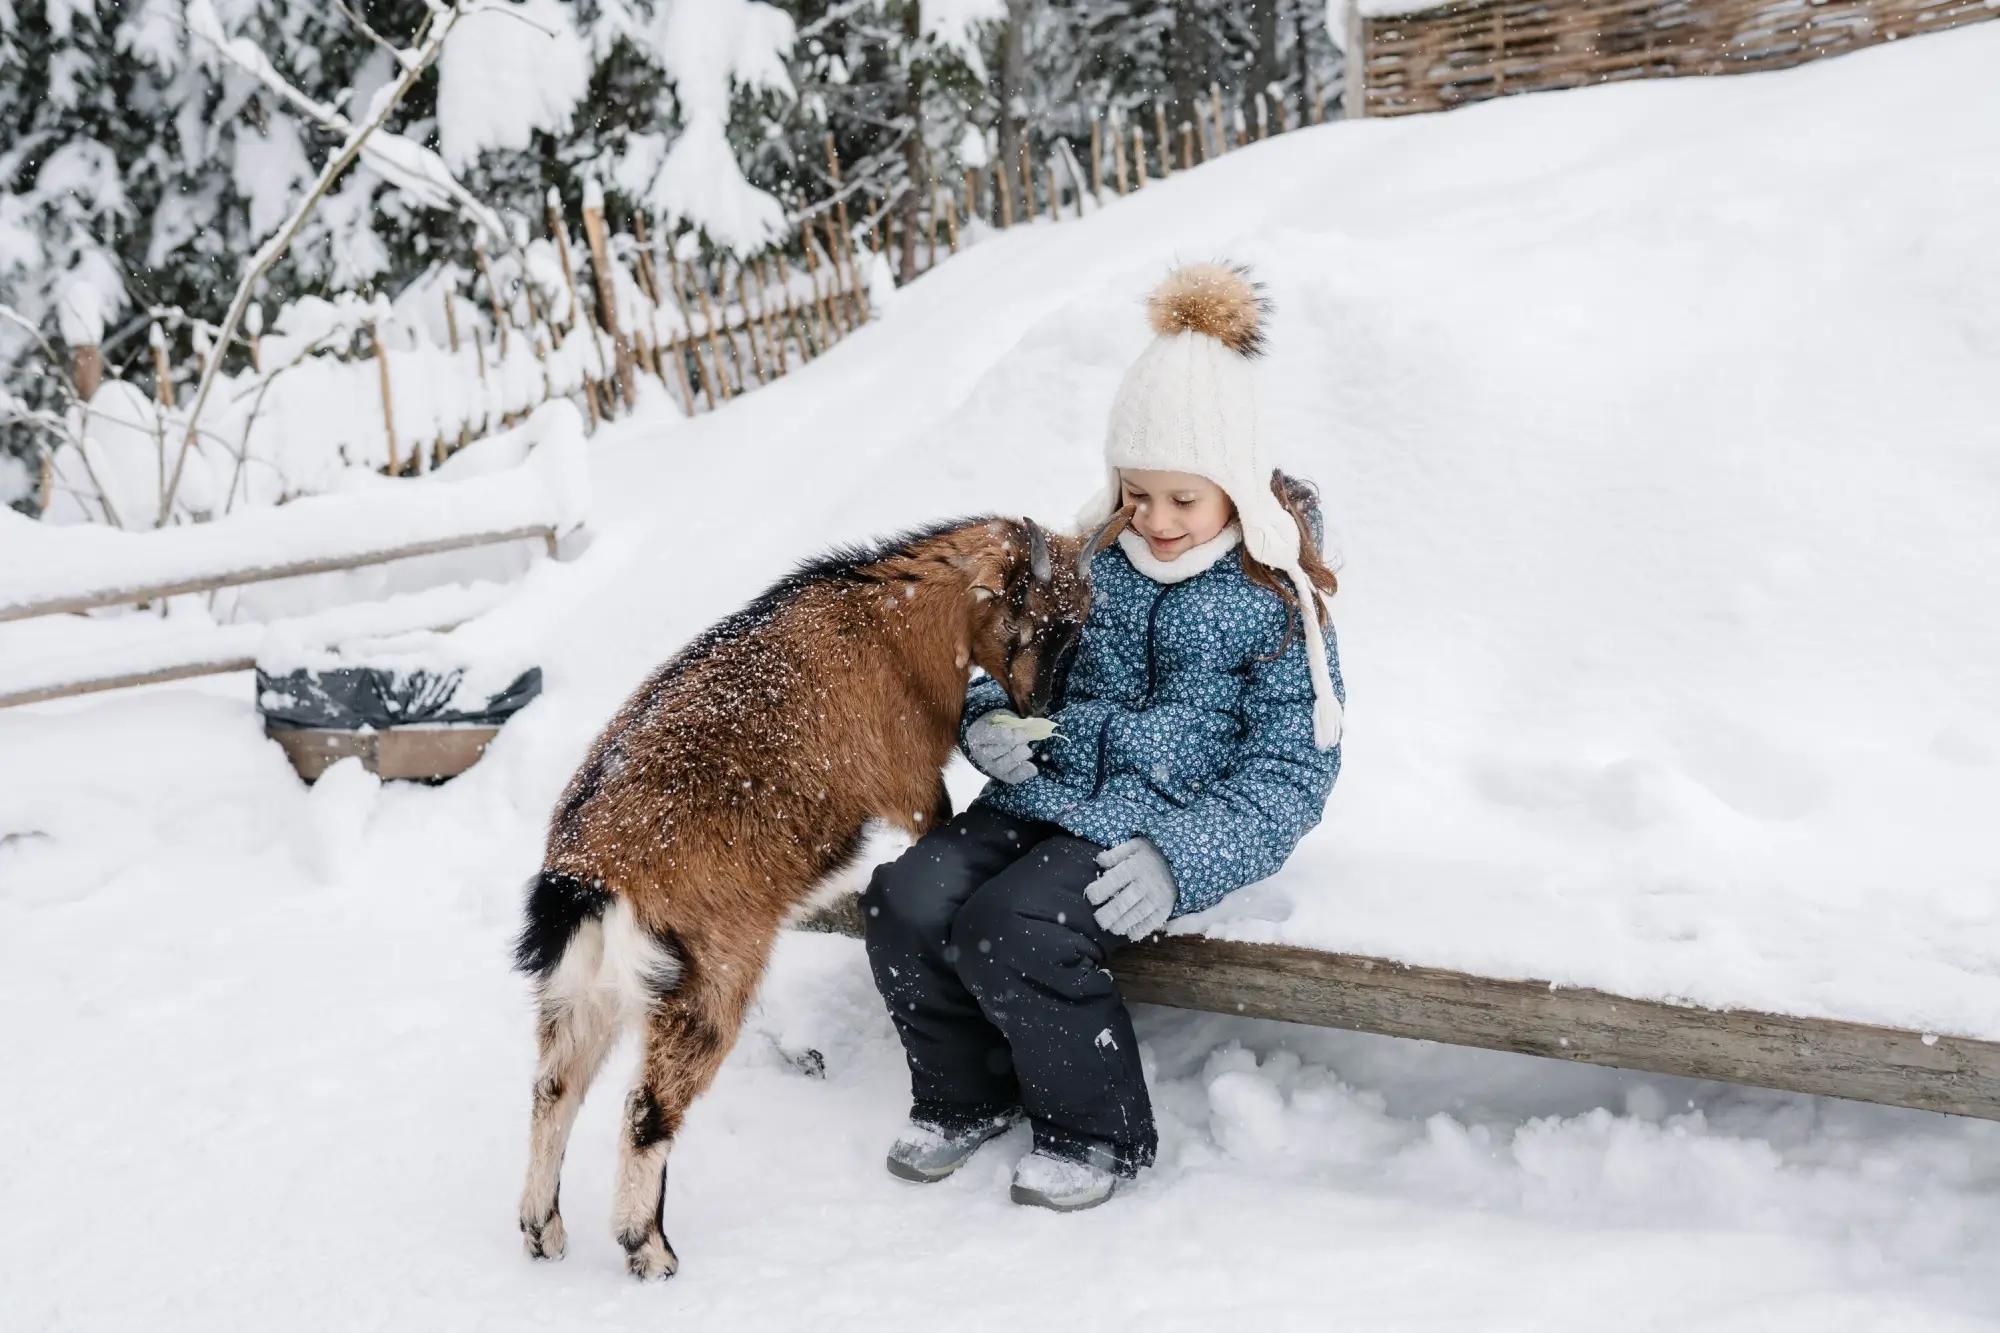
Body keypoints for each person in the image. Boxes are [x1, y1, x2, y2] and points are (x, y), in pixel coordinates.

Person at [862, 261, 1345, 1211]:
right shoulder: (1089, 566)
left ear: (1235, 490)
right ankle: (966, 1094)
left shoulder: (1272, 599)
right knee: (904, 900)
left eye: (1184, 499)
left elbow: (1294, 768)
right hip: (1042, 793)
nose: (1156, 521)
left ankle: (1095, 1131)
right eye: (1137, 494)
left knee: (1013, 927)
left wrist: (1183, 855)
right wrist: (988, 725)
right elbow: (1003, 667)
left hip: (1153, 826)